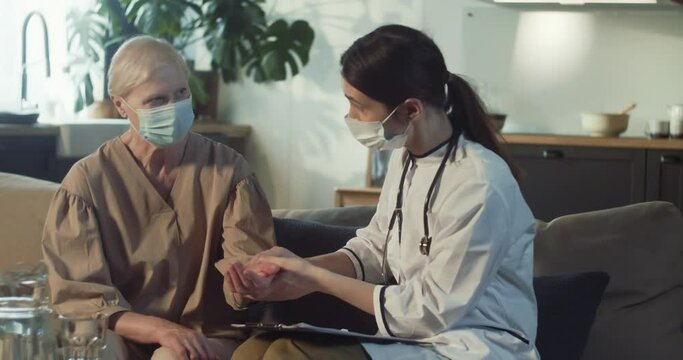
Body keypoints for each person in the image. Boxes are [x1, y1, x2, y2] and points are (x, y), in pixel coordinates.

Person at [227, 25, 539, 359]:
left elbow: (430, 311)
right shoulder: (406, 159)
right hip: (415, 340)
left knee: (288, 356)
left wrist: (315, 278)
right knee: (253, 351)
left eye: (358, 105)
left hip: (476, 345)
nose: (350, 116)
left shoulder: (480, 183)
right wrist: (292, 273)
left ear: (411, 110)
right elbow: (375, 250)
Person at [41, 35, 275, 360]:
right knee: (93, 348)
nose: (174, 108)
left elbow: (249, 271)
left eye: (181, 94)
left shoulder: (229, 172)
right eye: (156, 101)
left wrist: (248, 285)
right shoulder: (86, 185)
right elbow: (83, 300)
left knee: (171, 356)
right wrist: (161, 330)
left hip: (208, 336)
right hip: (124, 336)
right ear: (121, 105)